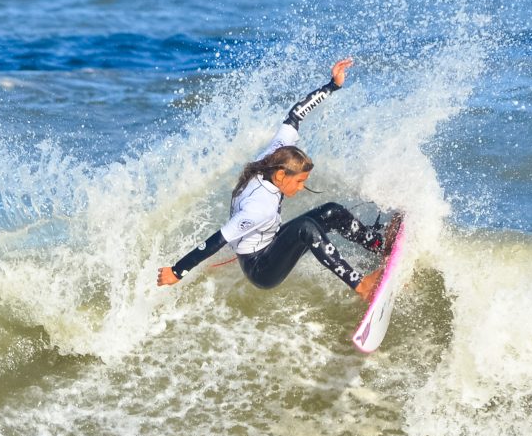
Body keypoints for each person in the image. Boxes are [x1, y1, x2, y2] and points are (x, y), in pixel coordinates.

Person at [156, 58, 396, 301]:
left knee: (332, 212)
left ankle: (376, 244)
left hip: (270, 237)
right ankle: (361, 285)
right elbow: (215, 241)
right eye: (299, 181)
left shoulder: (275, 155)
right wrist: (177, 271)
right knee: (306, 229)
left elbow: (295, 115)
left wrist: (332, 85)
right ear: (281, 175)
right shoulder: (258, 208)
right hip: (262, 268)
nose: (301, 188)